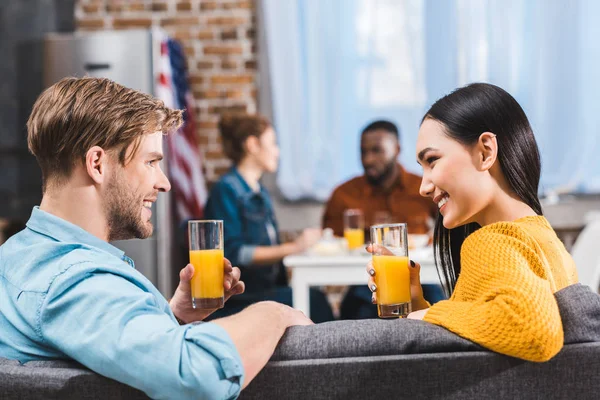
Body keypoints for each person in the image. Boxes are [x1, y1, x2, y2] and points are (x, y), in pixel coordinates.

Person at [0, 77, 312, 399]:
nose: (165, 183)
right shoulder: (72, 279)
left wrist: (172, 315)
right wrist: (275, 313)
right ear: (97, 164)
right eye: (150, 162)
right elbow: (195, 376)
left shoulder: (19, 255)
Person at [367, 82, 578, 362]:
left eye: (432, 160)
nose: (423, 186)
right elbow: (480, 349)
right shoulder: (548, 241)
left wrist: (429, 313)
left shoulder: (491, 241)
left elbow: (533, 331)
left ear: (485, 152)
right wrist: (416, 303)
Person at [204, 113, 333, 322]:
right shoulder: (226, 190)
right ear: (253, 144)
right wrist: (295, 247)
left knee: (315, 297)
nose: (277, 151)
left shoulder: (261, 192)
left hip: (268, 289)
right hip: (243, 296)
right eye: (272, 143)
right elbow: (234, 253)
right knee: (315, 301)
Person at [322, 120, 442, 319]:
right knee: (358, 310)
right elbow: (330, 241)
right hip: (366, 282)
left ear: (396, 149)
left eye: (377, 151)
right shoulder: (344, 194)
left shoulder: (424, 187)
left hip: (422, 277)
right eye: (363, 152)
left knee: (438, 307)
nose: (368, 159)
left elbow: (445, 230)